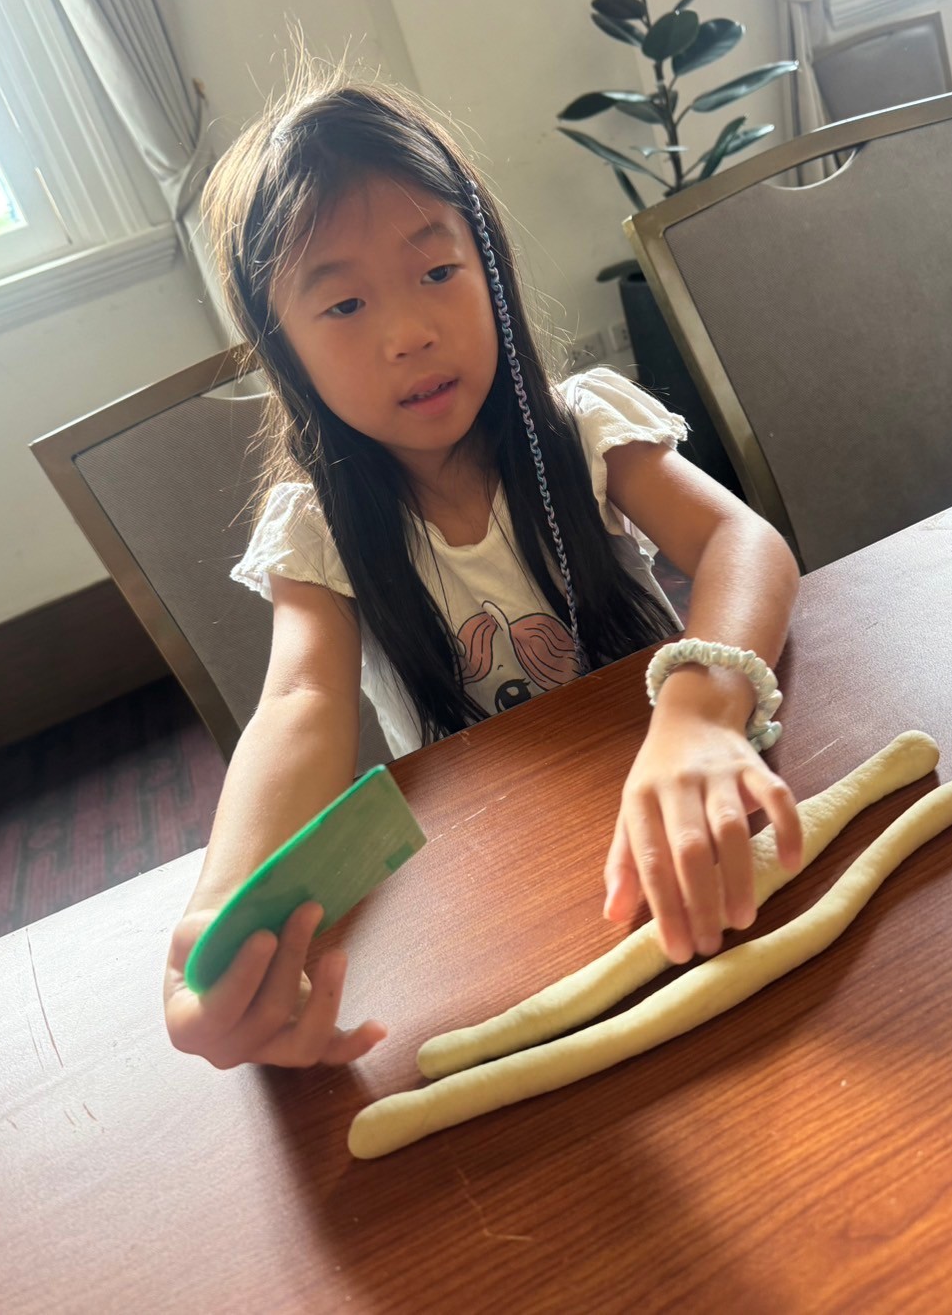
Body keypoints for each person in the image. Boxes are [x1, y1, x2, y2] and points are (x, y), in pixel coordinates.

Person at [164, 63, 803, 1070]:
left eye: (437, 272)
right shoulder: (319, 531)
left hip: (684, 800)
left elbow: (742, 543)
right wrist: (219, 913)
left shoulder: (582, 427)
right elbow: (297, 703)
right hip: (501, 889)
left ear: (490, 270)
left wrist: (696, 713)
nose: (409, 333)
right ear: (285, 352)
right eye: (343, 305)